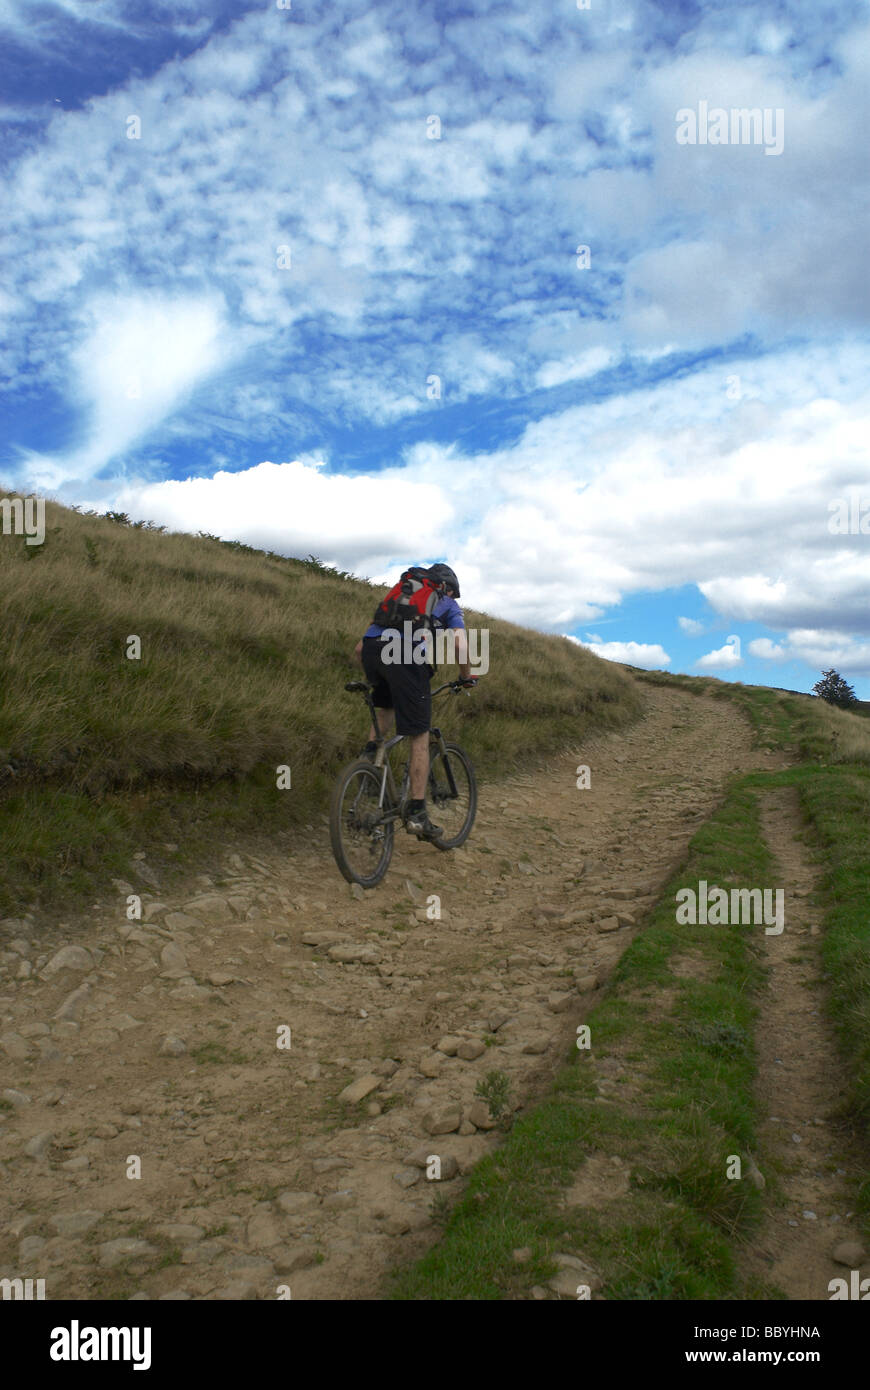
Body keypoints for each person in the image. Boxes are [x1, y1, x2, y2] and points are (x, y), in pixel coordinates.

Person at [353, 563, 475, 839]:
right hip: (405, 657)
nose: (453, 600)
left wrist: (376, 678)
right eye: (454, 594)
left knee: (386, 707)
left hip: (373, 653)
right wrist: (466, 675)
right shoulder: (448, 604)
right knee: (419, 734)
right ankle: (418, 814)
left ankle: (368, 764)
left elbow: (360, 648)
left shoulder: (400, 595)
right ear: (449, 589)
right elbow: (459, 644)